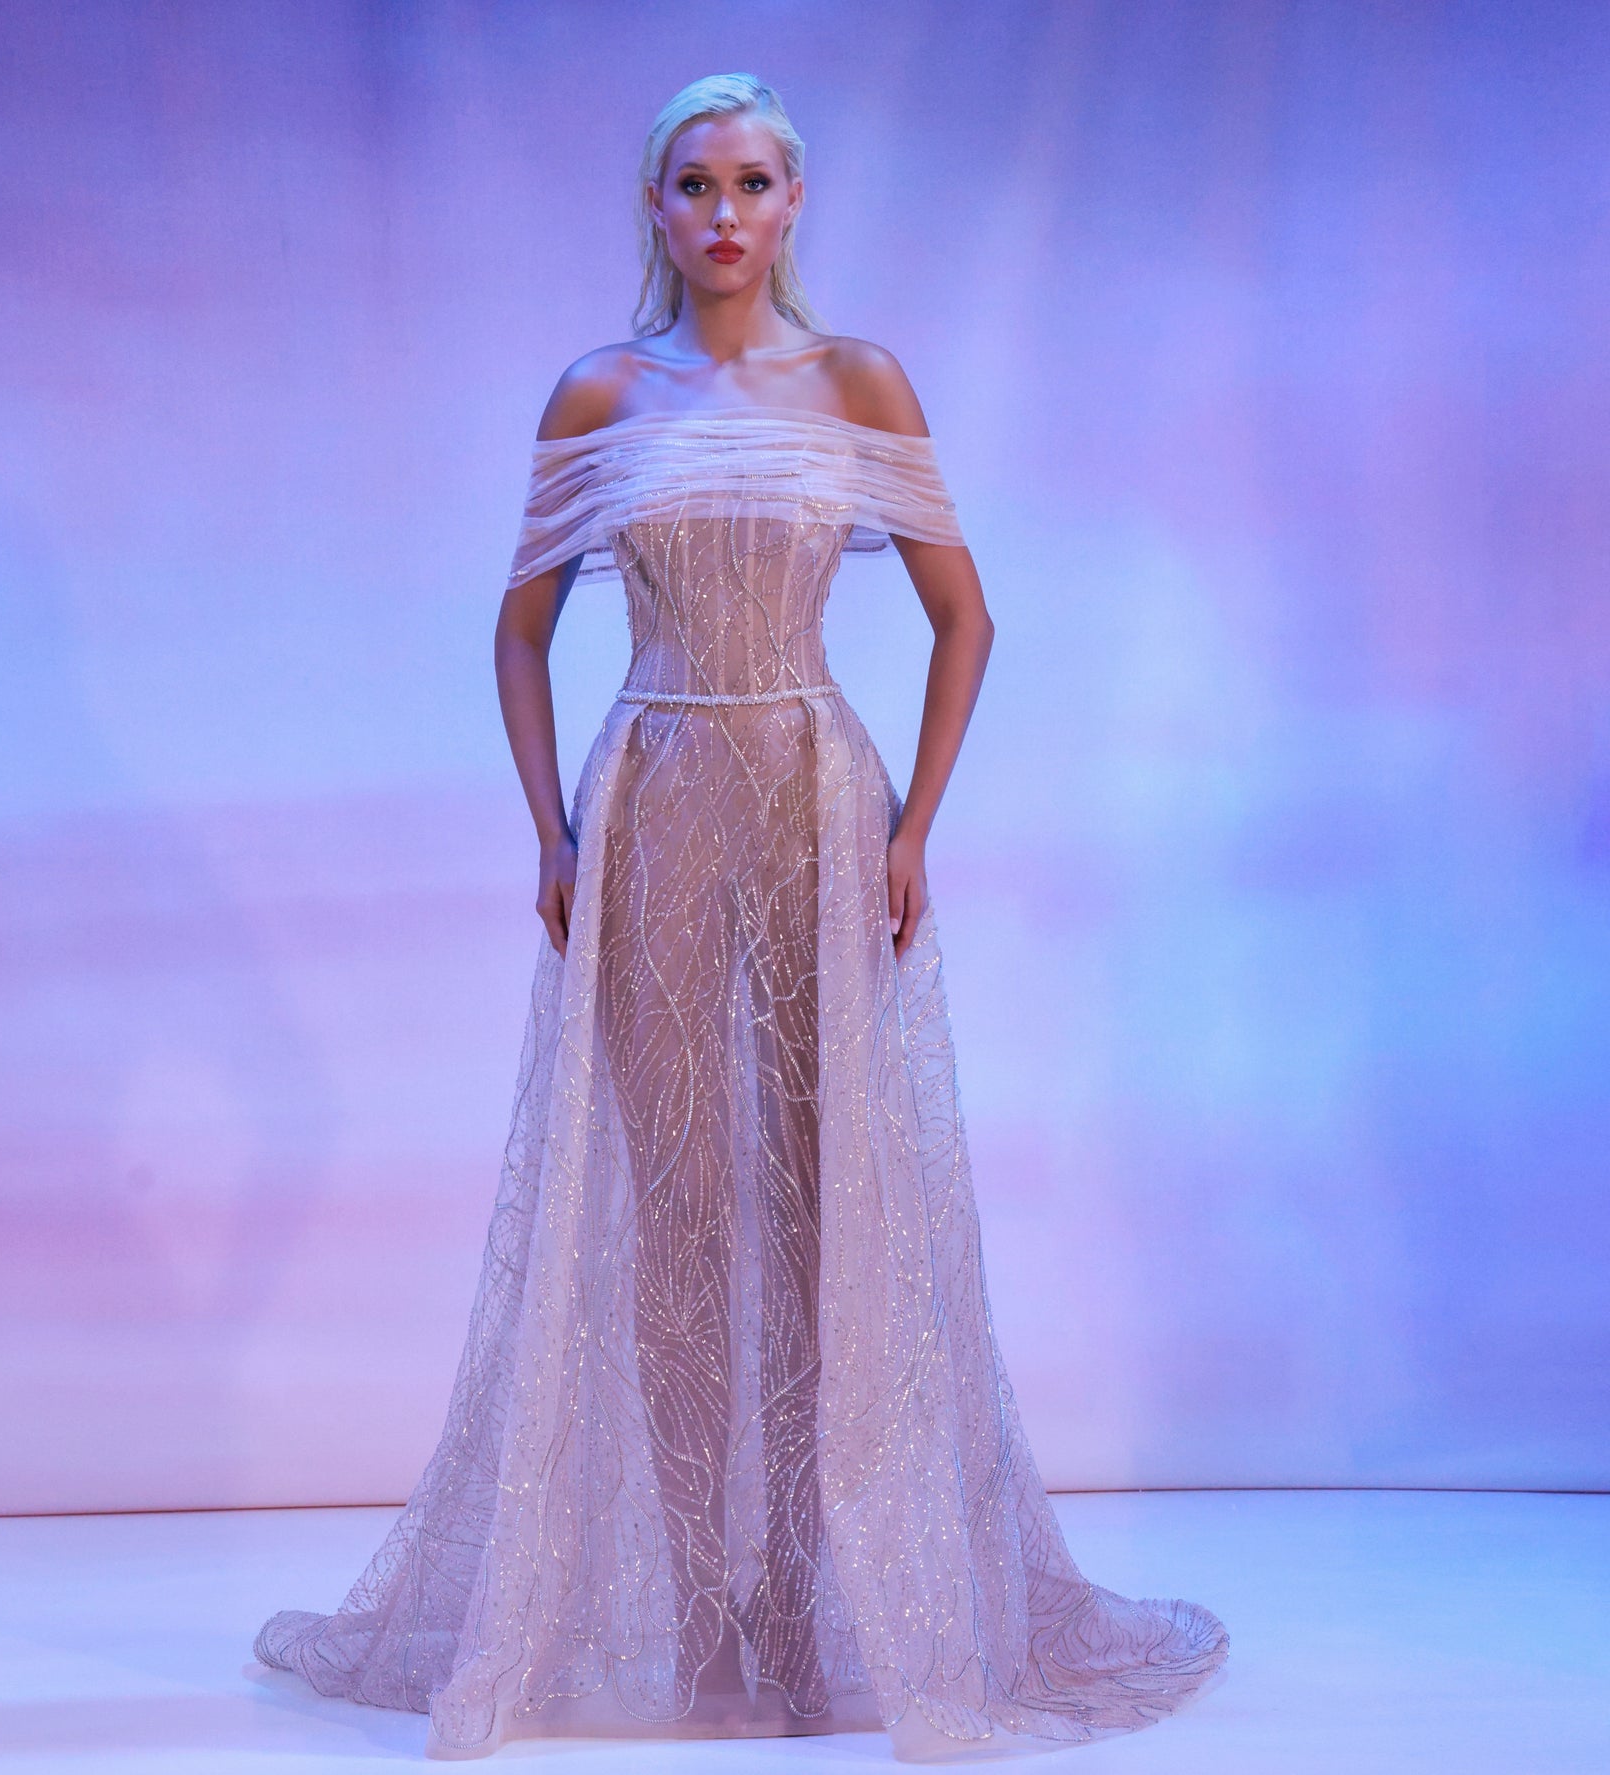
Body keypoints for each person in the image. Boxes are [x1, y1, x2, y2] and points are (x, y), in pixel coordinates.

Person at [255, 72, 1228, 1762]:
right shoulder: (599, 391)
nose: (725, 213)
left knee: (826, 1206)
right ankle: (709, 1605)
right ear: (656, 205)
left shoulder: (858, 382)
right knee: (675, 1214)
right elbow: (518, 631)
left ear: (794, 205)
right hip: (652, 800)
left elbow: (968, 618)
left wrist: (914, 827)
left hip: (811, 796)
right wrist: (552, 828)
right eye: (696, 184)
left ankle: (803, 1598)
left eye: (754, 183)